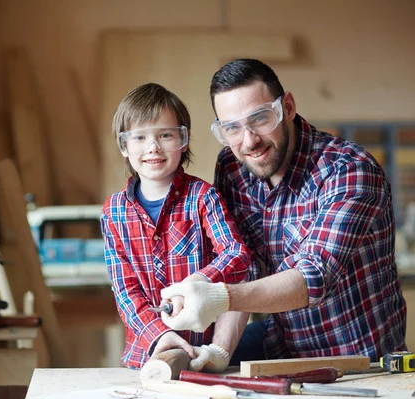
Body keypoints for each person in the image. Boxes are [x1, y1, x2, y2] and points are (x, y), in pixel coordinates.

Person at [161, 59, 407, 364]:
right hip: (282, 344)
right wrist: (219, 351)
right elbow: (244, 267)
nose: (249, 141)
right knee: (186, 367)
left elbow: (312, 278)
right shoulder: (233, 167)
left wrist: (219, 297)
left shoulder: (349, 170)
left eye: (261, 118)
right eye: (232, 128)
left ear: (287, 107)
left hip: (357, 359)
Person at [100, 83, 253, 370]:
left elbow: (237, 255)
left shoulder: (203, 198)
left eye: (166, 135)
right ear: (124, 146)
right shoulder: (113, 213)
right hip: (148, 355)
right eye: (139, 137)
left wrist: (200, 280)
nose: (153, 147)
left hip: (202, 354)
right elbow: (125, 290)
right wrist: (160, 335)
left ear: (184, 140)